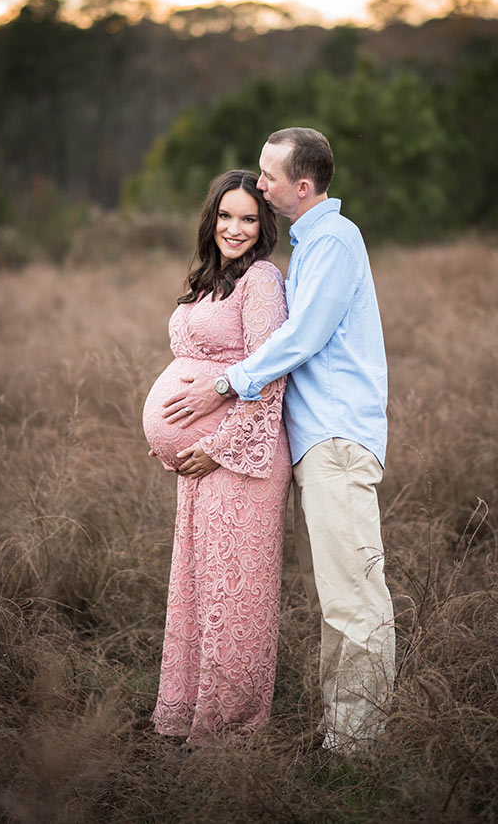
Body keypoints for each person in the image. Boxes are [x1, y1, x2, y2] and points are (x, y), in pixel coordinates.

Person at [162, 128, 396, 754]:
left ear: (301, 184)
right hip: (313, 442)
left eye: (267, 178)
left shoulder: (335, 242)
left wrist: (223, 385)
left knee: (354, 595)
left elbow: (302, 338)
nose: (259, 186)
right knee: (336, 596)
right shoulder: (311, 244)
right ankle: (340, 730)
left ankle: (358, 746)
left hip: (337, 436)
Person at [143, 170, 292, 742]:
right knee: (199, 586)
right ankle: (189, 710)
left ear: (264, 225)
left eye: (249, 218)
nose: (235, 228)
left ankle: (229, 728)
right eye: (226, 216)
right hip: (201, 462)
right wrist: (177, 444)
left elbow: (270, 374)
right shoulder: (211, 279)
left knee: (235, 593)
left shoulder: (260, 280)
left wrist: (217, 444)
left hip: (240, 456)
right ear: (212, 220)